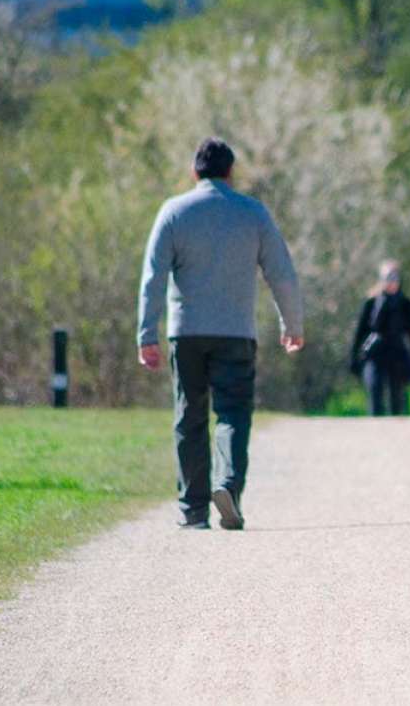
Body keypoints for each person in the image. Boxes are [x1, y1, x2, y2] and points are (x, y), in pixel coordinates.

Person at [137, 137, 305, 531]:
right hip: (235, 333)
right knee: (232, 413)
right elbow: (281, 272)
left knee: (189, 416)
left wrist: (147, 334)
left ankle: (193, 510)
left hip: (187, 332)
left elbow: (153, 277)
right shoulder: (253, 213)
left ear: (195, 172)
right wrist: (292, 325)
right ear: (231, 173)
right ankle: (227, 485)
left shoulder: (174, 211)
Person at [349, 260, 410, 416]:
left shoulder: (406, 305)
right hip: (374, 353)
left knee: (397, 399)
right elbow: (360, 332)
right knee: (374, 391)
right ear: (381, 280)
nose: (391, 281)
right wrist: (353, 358)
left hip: (397, 354)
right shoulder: (371, 303)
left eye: (394, 277)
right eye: (388, 277)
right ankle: (375, 433)